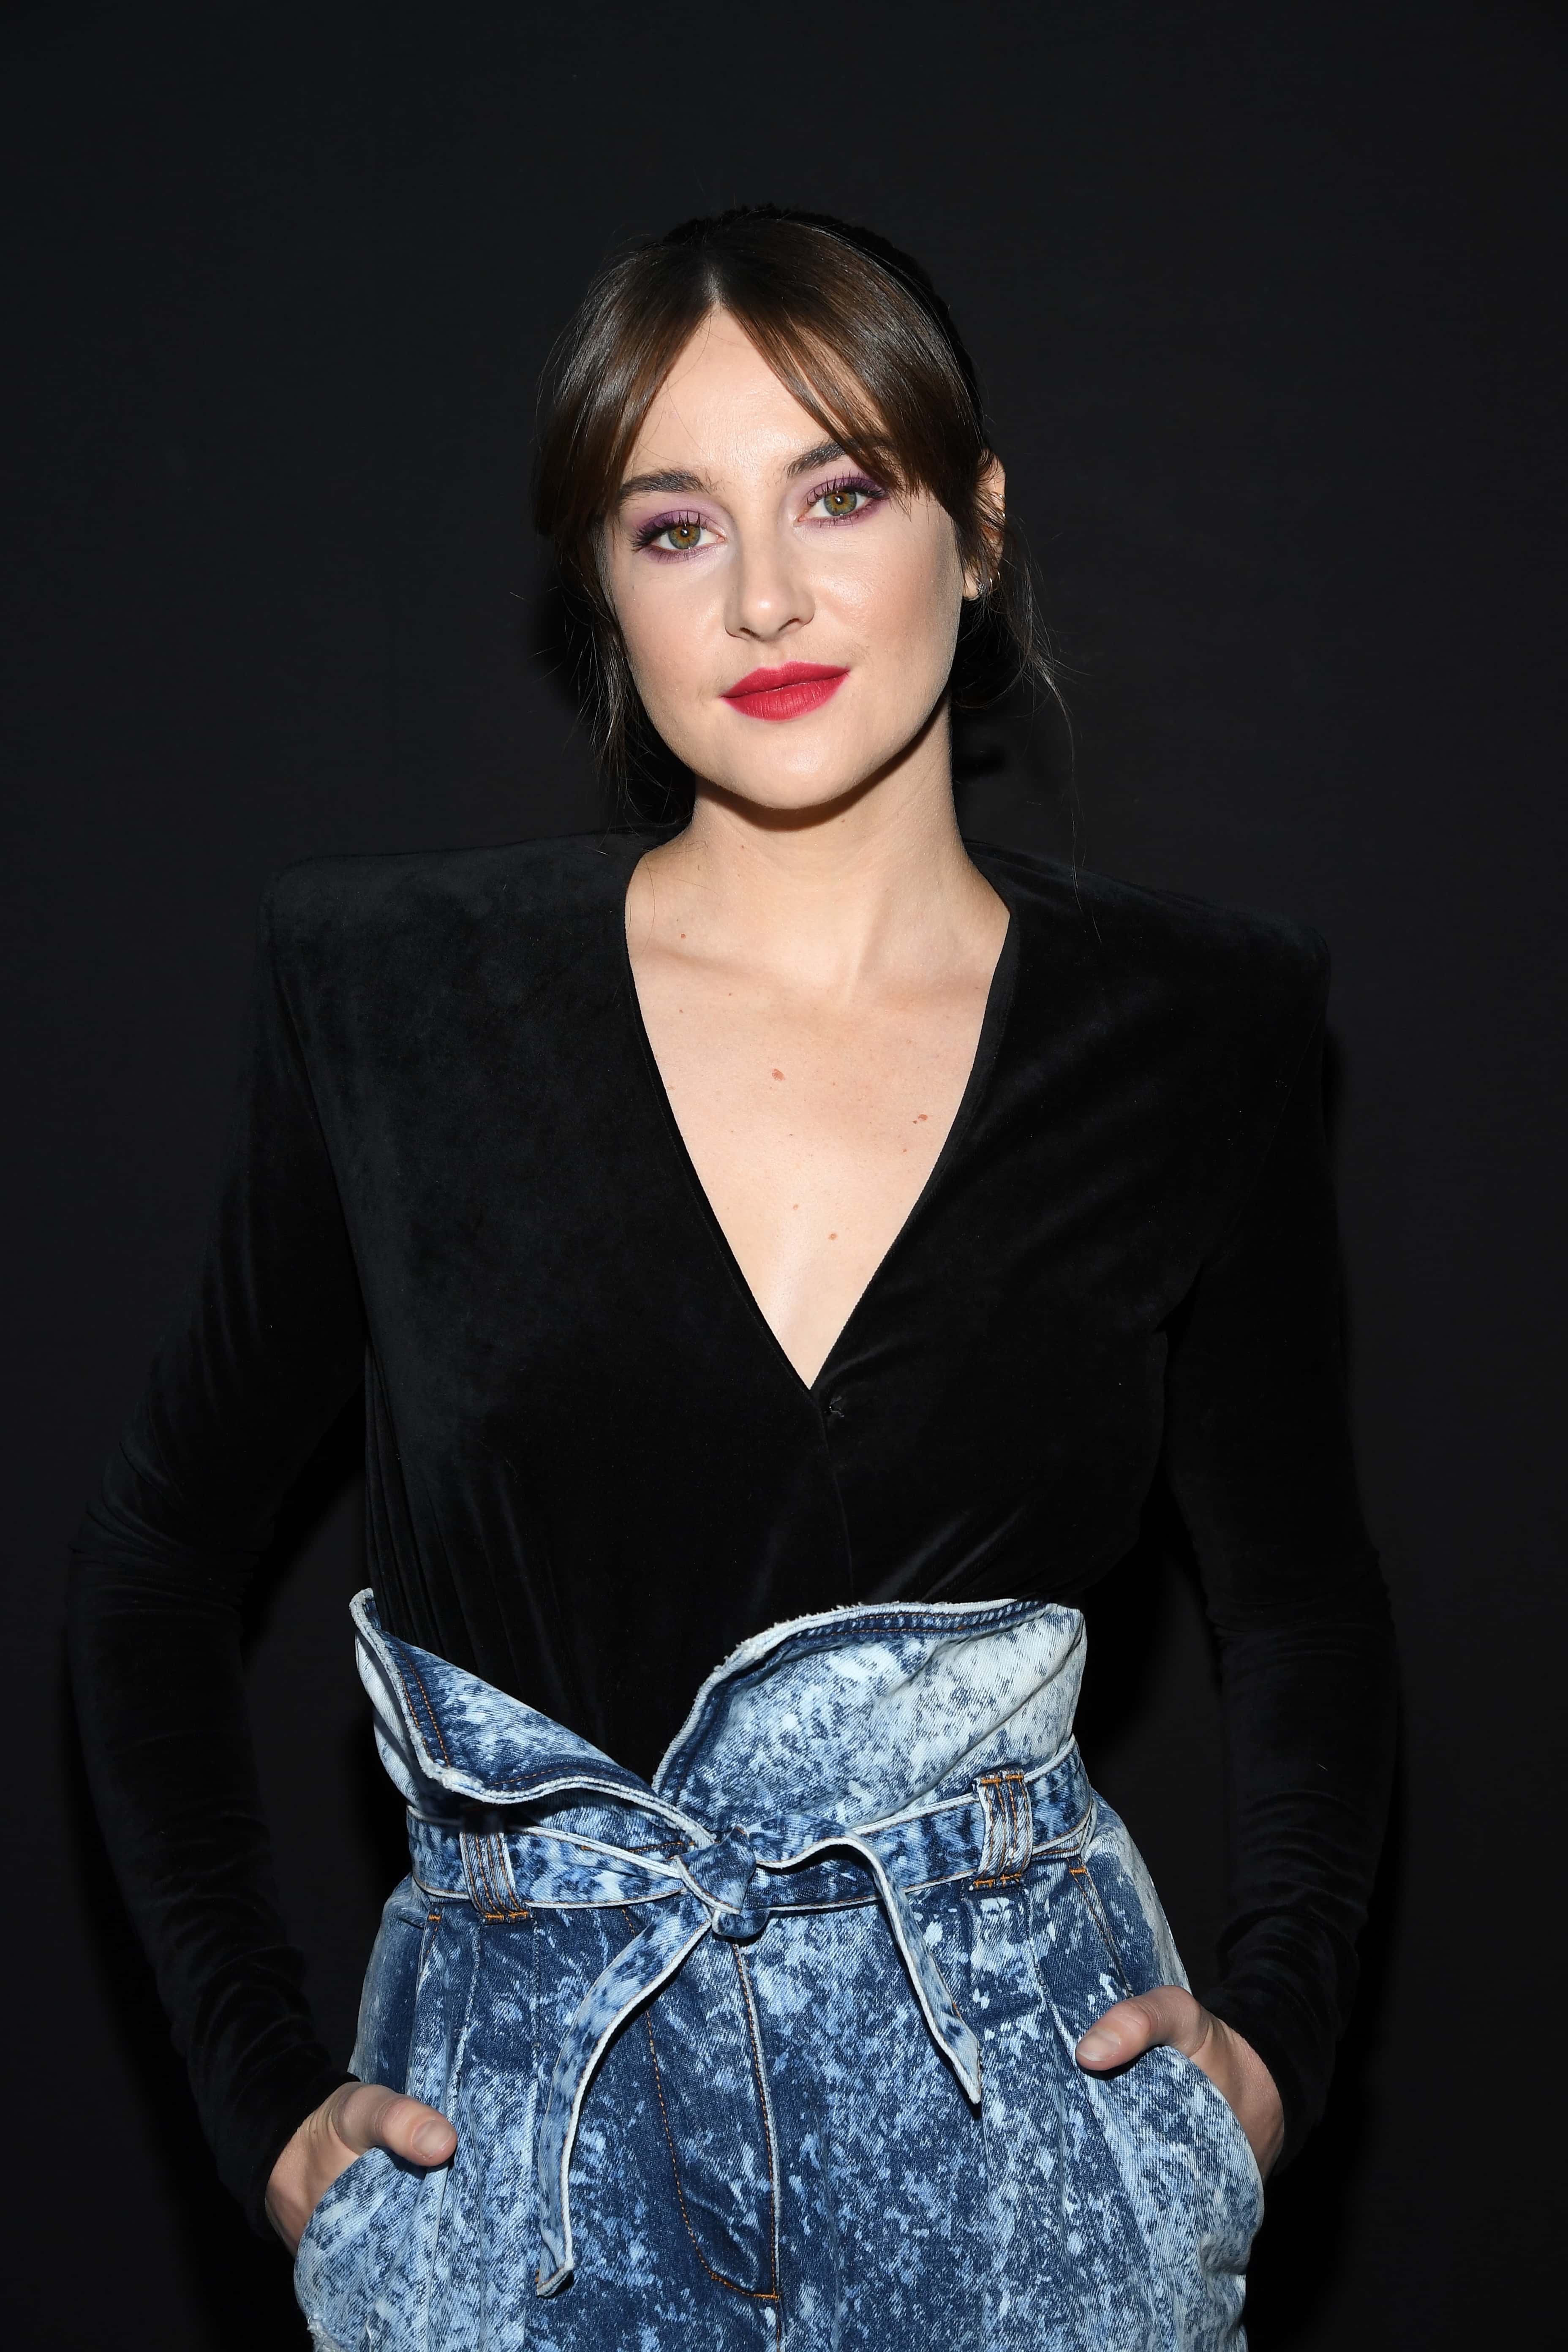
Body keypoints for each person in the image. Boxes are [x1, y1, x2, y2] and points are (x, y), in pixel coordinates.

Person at [70, 207, 1396, 2351]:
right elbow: (154, 1561)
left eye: (838, 493)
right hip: (518, 2213)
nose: (764, 597)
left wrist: (1270, 2056)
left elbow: (1302, 1597)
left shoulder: (1198, 1028)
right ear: (601, 587)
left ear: (977, 528)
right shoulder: (392, 1000)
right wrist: (256, 2093)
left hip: (1034, 2217)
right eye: (674, 526)